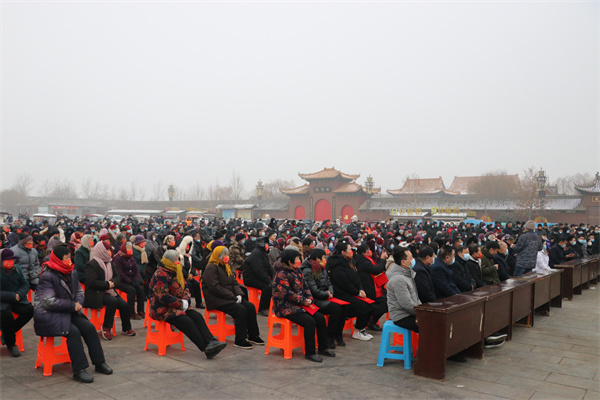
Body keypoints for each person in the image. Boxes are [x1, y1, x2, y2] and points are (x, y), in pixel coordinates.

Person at [33, 245, 112, 383]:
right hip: (49, 314)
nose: (69, 261)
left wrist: (78, 303)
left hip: (68, 311)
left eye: (70, 257)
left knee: (89, 327)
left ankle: (99, 362)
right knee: (73, 332)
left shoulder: (72, 272)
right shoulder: (47, 276)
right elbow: (48, 301)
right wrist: (72, 305)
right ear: (58, 259)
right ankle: (79, 370)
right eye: (66, 258)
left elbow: (79, 291)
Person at [149, 249, 226, 359]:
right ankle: (206, 348)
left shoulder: (176, 271)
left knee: (197, 316)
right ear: (169, 261)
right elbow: (163, 296)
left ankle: (211, 341)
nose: (178, 262)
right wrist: (181, 304)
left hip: (179, 305)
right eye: (176, 260)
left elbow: (186, 288)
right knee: (187, 321)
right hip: (162, 308)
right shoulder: (160, 274)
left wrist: (185, 300)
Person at [272, 248, 335, 362]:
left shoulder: (297, 271)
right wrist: (303, 300)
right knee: (309, 322)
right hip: (285, 306)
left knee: (320, 318)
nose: (299, 261)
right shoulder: (281, 274)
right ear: (290, 261)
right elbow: (286, 294)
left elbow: (306, 287)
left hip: (300, 304)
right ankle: (310, 353)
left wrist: (309, 298)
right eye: (297, 259)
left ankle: (323, 347)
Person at [202, 246, 263, 349]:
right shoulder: (211, 268)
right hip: (216, 299)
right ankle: (240, 339)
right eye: (225, 255)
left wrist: (239, 294)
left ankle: (253, 335)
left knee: (250, 306)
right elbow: (215, 288)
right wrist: (232, 297)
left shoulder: (226, 266)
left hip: (228, 297)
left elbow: (234, 283)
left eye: (227, 254)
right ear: (219, 256)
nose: (227, 257)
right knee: (240, 310)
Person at [83, 241, 135, 340]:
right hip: (96, 293)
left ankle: (126, 328)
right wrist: (106, 284)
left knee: (124, 305)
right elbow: (92, 282)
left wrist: (112, 283)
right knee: (112, 301)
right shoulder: (92, 264)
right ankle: (106, 327)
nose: (109, 252)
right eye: (106, 250)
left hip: (109, 290)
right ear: (101, 251)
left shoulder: (110, 262)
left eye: (109, 250)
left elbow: (117, 277)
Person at [327, 241, 373, 341]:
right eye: (349, 250)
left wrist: (360, 289)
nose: (351, 252)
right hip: (341, 294)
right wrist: (357, 293)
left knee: (371, 304)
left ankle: (361, 329)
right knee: (364, 307)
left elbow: (357, 277)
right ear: (343, 252)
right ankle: (357, 331)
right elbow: (344, 284)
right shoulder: (337, 266)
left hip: (352, 292)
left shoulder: (350, 261)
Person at [301, 248, 347, 348]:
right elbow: (314, 291)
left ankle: (338, 334)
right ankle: (329, 336)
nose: (325, 259)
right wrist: (326, 294)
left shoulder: (322, 268)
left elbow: (329, 283)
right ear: (317, 259)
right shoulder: (308, 271)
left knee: (344, 307)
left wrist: (330, 292)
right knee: (336, 309)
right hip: (315, 299)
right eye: (323, 257)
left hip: (325, 296)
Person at [0, 249, 33, 357]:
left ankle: (7, 333)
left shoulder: (17, 269)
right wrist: (13, 296)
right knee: (6, 315)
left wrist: (19, 294)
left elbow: (25, 284)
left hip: (17, 299)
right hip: (2, 301)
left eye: (11, 259)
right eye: (7, 260)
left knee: (29, 309)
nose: (10, 262)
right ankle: (11, 344)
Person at [386, 247, 420, 333]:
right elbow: (406, 304)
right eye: (411, 257)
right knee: (431, 326)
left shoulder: (407, 273)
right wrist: (421, 312)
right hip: (402, 316)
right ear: (403, 262)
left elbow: (415, 297)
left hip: (411, 312)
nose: (413, 259)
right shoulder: (398, 279)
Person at [354, 244, 388, 331]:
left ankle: (371, 322)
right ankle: (366, 324)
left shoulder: (368, 260)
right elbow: (377, 270)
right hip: (368, 289)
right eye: (368, 250)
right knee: (376, 306)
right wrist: (382, 259)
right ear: (363, 252)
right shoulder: (362, 261)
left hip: (373, 288)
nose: (370, 251)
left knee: (386, 303)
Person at [113, 242, 145, 319]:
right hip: (121, 281)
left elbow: (136, 271)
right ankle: (131, 312)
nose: (131, 250)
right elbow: (120, 273)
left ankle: (140, 311)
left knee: (140, 289)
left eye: (131, 248)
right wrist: (129, 281)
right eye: (129, 248)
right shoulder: (118, 258)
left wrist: (135, 280)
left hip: (132, 281)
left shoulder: (132, 258)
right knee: (131, 290)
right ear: (124, 249)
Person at [242, 238, 273, 316]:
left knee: (272, 284)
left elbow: (268, 267)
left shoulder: (263, 253)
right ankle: (262, 309)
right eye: (266, 244)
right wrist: (268, 280)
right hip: (250, 278)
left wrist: (274, 277)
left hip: (257, 277)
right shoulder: (256, 253)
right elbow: (259, 270)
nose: (267, 245)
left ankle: (268, 305)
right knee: (267, 287)